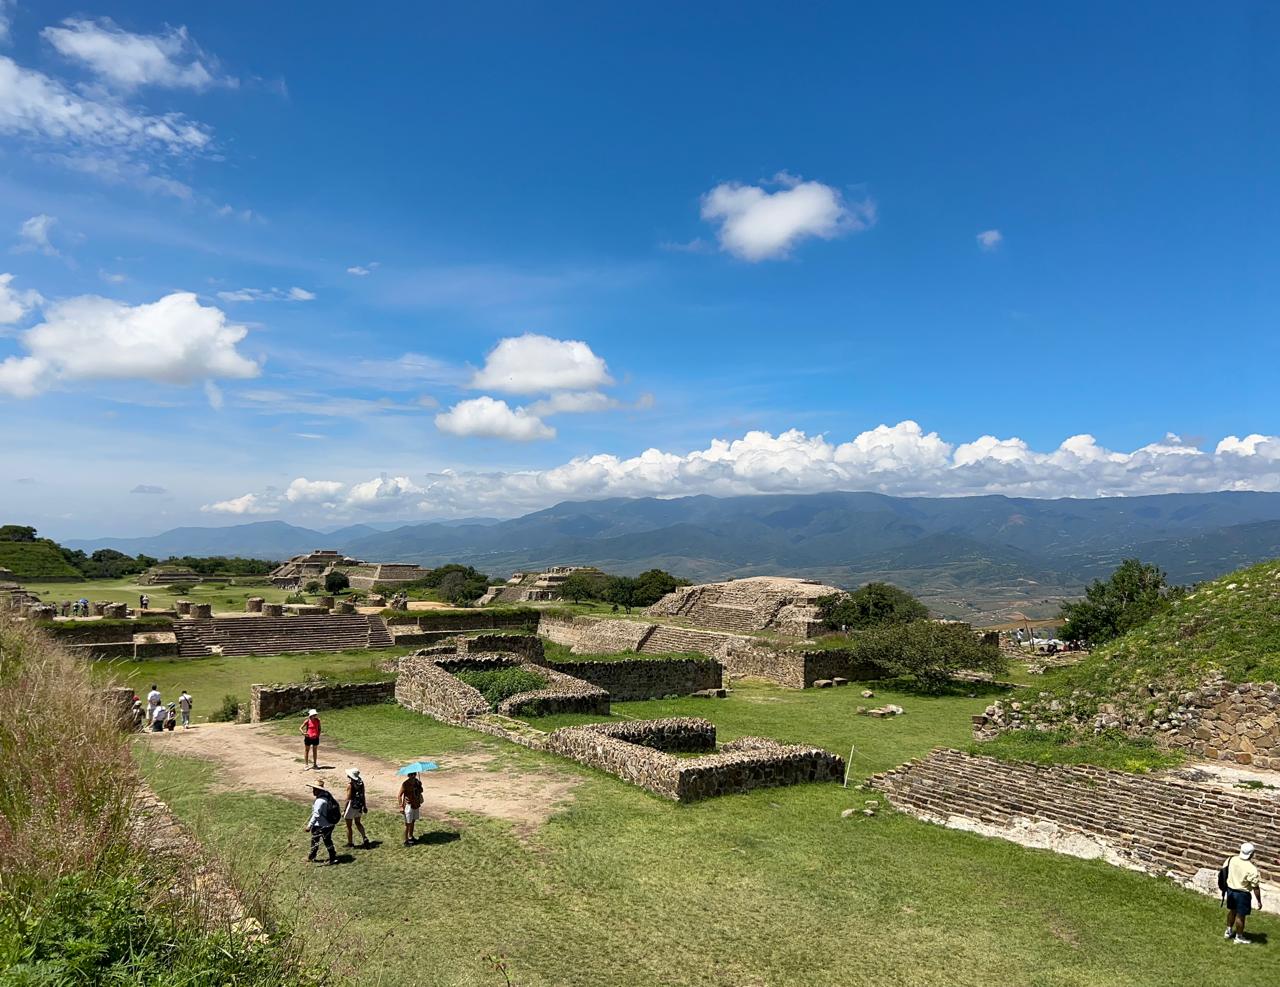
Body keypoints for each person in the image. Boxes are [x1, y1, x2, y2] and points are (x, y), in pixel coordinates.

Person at [1223, 842, 1264, 944]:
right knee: (1240, 916)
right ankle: (1239, 937)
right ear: (1251, 854)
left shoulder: (1231, 859)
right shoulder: (1251, 868)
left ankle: (1228, 931)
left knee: (1232, 911)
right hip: (1242, 894)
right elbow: (1255, 887)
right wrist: (1259, 901)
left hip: (1230, 890)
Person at [304, 782, 340, 865]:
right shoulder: (327, 797)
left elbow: (316, 815)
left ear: (319, 790)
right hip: (329, 824)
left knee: (315, 842)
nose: (313, 791)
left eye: (315, 789)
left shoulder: (319, 801)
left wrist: (309, 826)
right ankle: (332, 857)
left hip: (320, 825)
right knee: (327, 841)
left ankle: (312, 857)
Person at [343, 768, 370, 848]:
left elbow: (348, 799)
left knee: (349, 826)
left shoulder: (350, 785)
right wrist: (364, 806)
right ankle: (364, 837)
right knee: (358, 822)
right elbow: (363, 795)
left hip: (351, 806)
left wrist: (344, 810)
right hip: (359, 805)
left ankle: (350, 843)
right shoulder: (361, 783)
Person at [398, 771, 424, 846]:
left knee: (413, 821)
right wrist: (401, 806)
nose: (413, 776)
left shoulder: (417, 782)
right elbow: (399, 795)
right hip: (408, 806)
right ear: (408, 775)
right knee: (407, 824)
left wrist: (420, 786)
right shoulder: (405, 784)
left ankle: (411, 837)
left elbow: (421, 791)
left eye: (414, 774)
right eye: (411, 774)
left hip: (416, 804)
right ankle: (405, 840)